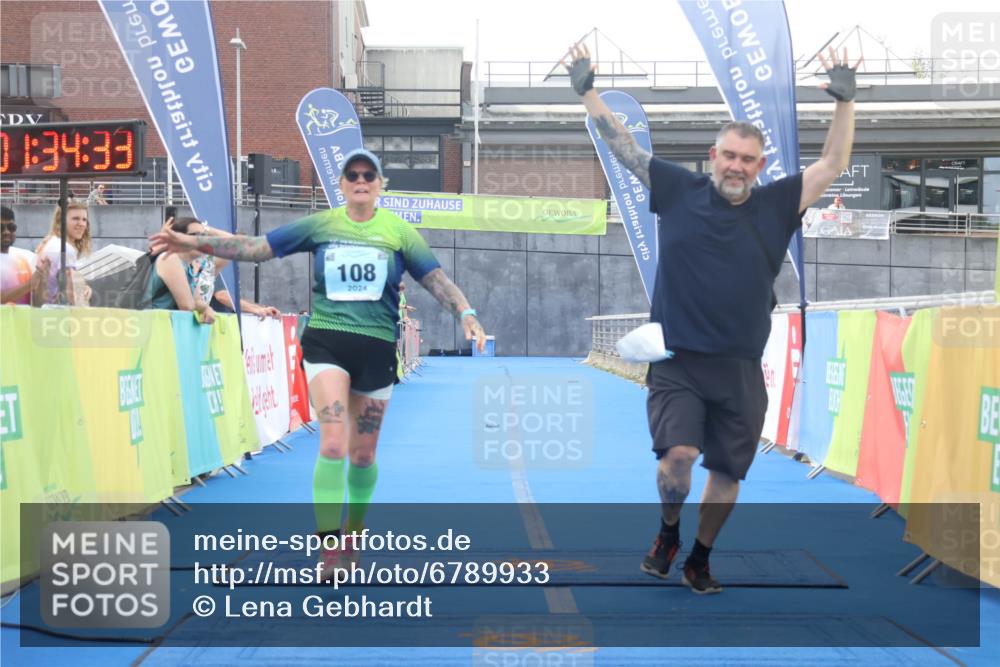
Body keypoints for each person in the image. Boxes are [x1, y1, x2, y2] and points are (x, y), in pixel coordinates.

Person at [564, 44, 859, 594]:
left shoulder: (776, 205)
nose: (736, 166)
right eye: (728, 155)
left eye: (748, 159)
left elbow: (832, 165)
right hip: (677, 361)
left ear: (760, 166)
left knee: (726, 476)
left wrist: (844, 103)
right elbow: (625, 149)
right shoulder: (678, 190)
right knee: (678, 458)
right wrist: (587, 92)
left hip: (742, 370)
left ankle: (699, 555)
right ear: (713, 155)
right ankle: (668, 532)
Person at [150, 148, 487, 577]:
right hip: (327, 342)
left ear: (381, 185)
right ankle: (329, 548)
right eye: (352, 174)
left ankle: (354, 536)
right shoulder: (321, 224)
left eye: (369, 174)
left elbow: (435, 280)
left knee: (362, 455)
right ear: (343, 185)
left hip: (377, 348)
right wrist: (190, 241)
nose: (361, 180)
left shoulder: (400, 232)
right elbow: (255, 248)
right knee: (331, 444)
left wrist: (466, 314)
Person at [146, 216, 217, 324]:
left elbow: (197, 301)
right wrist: (206, 308)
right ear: (178, 238)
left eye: (205, 236)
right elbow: (187, 305)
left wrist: (204, 307)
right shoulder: (170, 258)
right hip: (144, 328)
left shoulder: (190, 267)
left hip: (157, 328)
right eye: (197, 236)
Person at [34, 200, 93, 305]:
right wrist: (82, 290)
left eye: (84, 220)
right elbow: (75, 298)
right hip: (57, 315)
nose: (81, 224)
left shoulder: (50, 242)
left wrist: (81, 285)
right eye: (75, 219)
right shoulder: (65, 249)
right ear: (61, 221)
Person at [1, 206, 41, 305]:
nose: (6, 232)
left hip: (23, 320)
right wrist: (29, 285)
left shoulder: (23, 259)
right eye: (0, 228)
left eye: (11, 227)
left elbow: (33, 300)